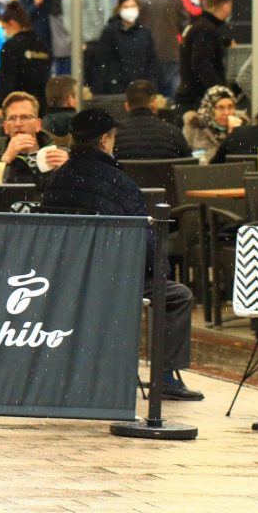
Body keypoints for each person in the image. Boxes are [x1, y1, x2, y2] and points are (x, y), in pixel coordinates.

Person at [43, 108, 203, 401]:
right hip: (113, 280)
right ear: (104, 140)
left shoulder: (56, 180)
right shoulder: (120, 183)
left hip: (64, 280)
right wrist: (161, 270)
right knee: (177, 294)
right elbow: (143, 239)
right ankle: (164, 377)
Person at [0, 91, 68, 187]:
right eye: (12, 118)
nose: (18, 124)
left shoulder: (62, 154)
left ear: (38, 125)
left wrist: (71, 167)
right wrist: (5, 160)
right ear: (6, 127)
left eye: (25, 117)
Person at [176, 0, 236, 111]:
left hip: (189, 96)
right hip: (197, 99)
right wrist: (219, 91)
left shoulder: (199, 25)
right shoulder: (206, 29)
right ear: (225, 6)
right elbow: (200, 62)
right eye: (230, 5)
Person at [132, 0, 186, 99]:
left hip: (145, 56)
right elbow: (184, 23)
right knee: (173, 94)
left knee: (149, 96)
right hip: (170, 52)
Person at [91, 0, 157, 95]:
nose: (130, 10)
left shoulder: (145, 32)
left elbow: (151, 60)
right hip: (115, 87)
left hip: (140, 86)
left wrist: (150, 82)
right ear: (119, 9)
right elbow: (102, 60)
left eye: (133, 6)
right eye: (126, 7)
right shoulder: (110, 32)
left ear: (138, 8)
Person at [0, 1, 51, 115]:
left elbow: (6, 79)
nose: (5, 32)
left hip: (17, 105)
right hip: (40, 106)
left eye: (5, 28)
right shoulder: (42, 46)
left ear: (13, 23)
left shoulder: (11, 46)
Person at [61, 0, 115, 85]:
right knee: (85, 79)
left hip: (97, 42)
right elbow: (69, 22)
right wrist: (79, 42)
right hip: (84, 45)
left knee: (97, 78)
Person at [112, 81, 191, 161]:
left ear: (127, 106)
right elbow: (188, 167)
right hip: (163, 174)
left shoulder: (113, 136)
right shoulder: (174, 134)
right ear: (155, 104)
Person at [182, 85, 240, 160]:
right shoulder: (194, 126)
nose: (227, 112)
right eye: (221, 108)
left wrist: (234, 134)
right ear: (210, 109)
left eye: (230, 107)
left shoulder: (241, 128)